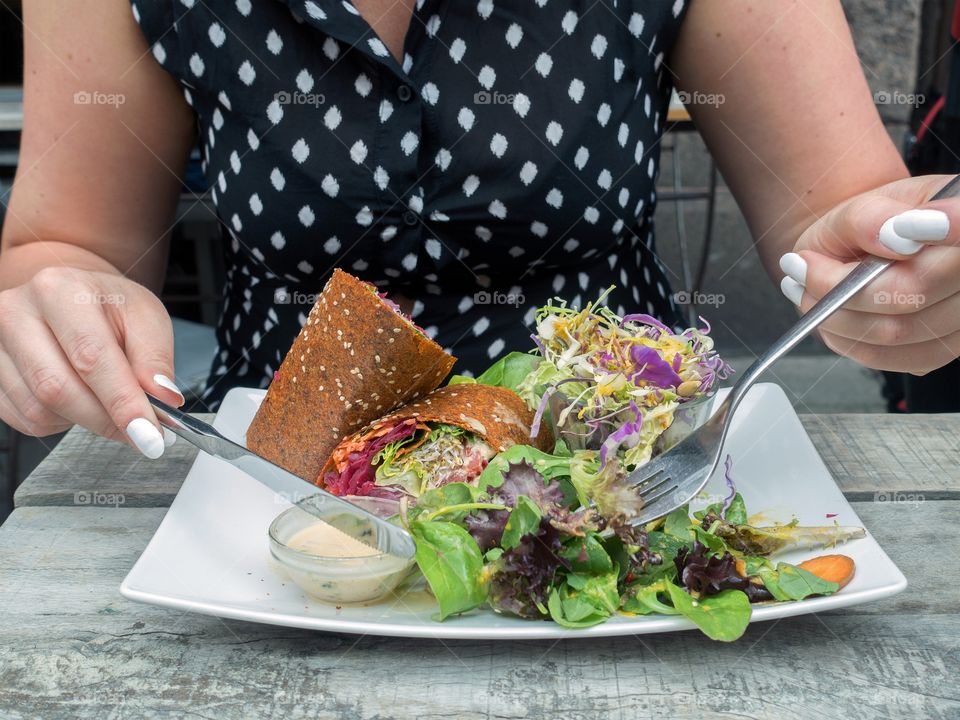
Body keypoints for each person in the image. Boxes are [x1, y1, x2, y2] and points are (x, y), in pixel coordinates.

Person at [1, 0, 958, 459]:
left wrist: (898, 273)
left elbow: (848, 230)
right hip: (272, 498)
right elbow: (62, 248)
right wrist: (55, 306)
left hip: (631, 482)